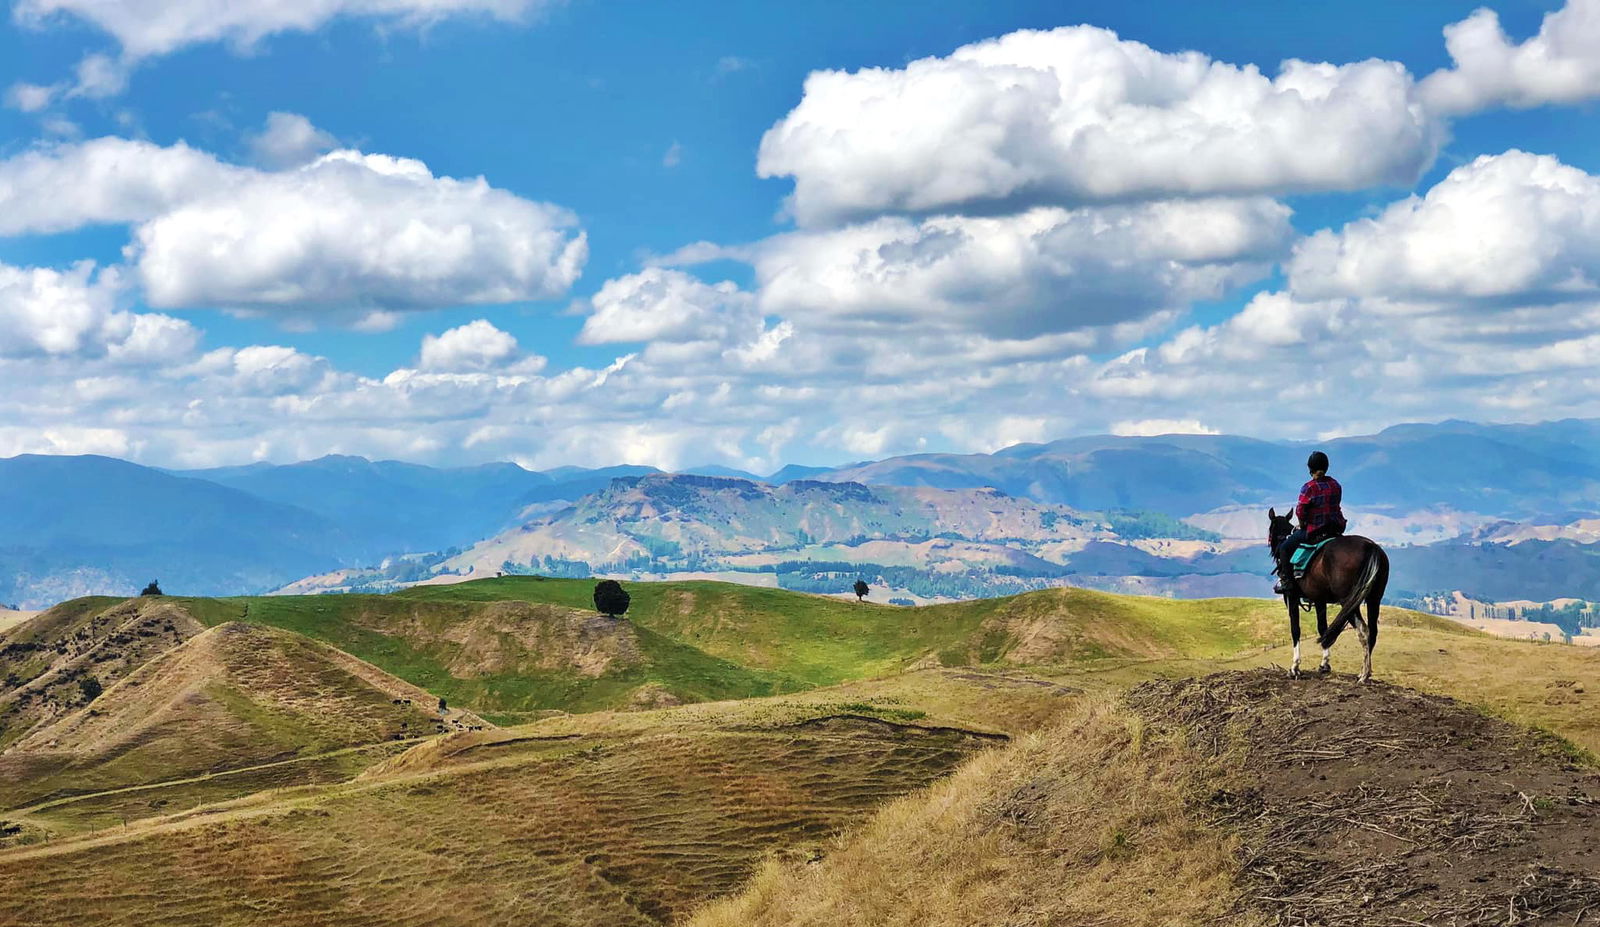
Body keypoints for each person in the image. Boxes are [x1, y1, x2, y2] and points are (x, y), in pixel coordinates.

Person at [1274, 451, 1347, 595]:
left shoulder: (1308, 488)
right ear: (1326, 467)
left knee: (1284, 548)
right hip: (1335, 529)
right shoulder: (1336, 484)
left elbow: (1300, 511)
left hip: (1316, 531)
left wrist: (1302, 525)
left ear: (1310, 469)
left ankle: (1288, 584)